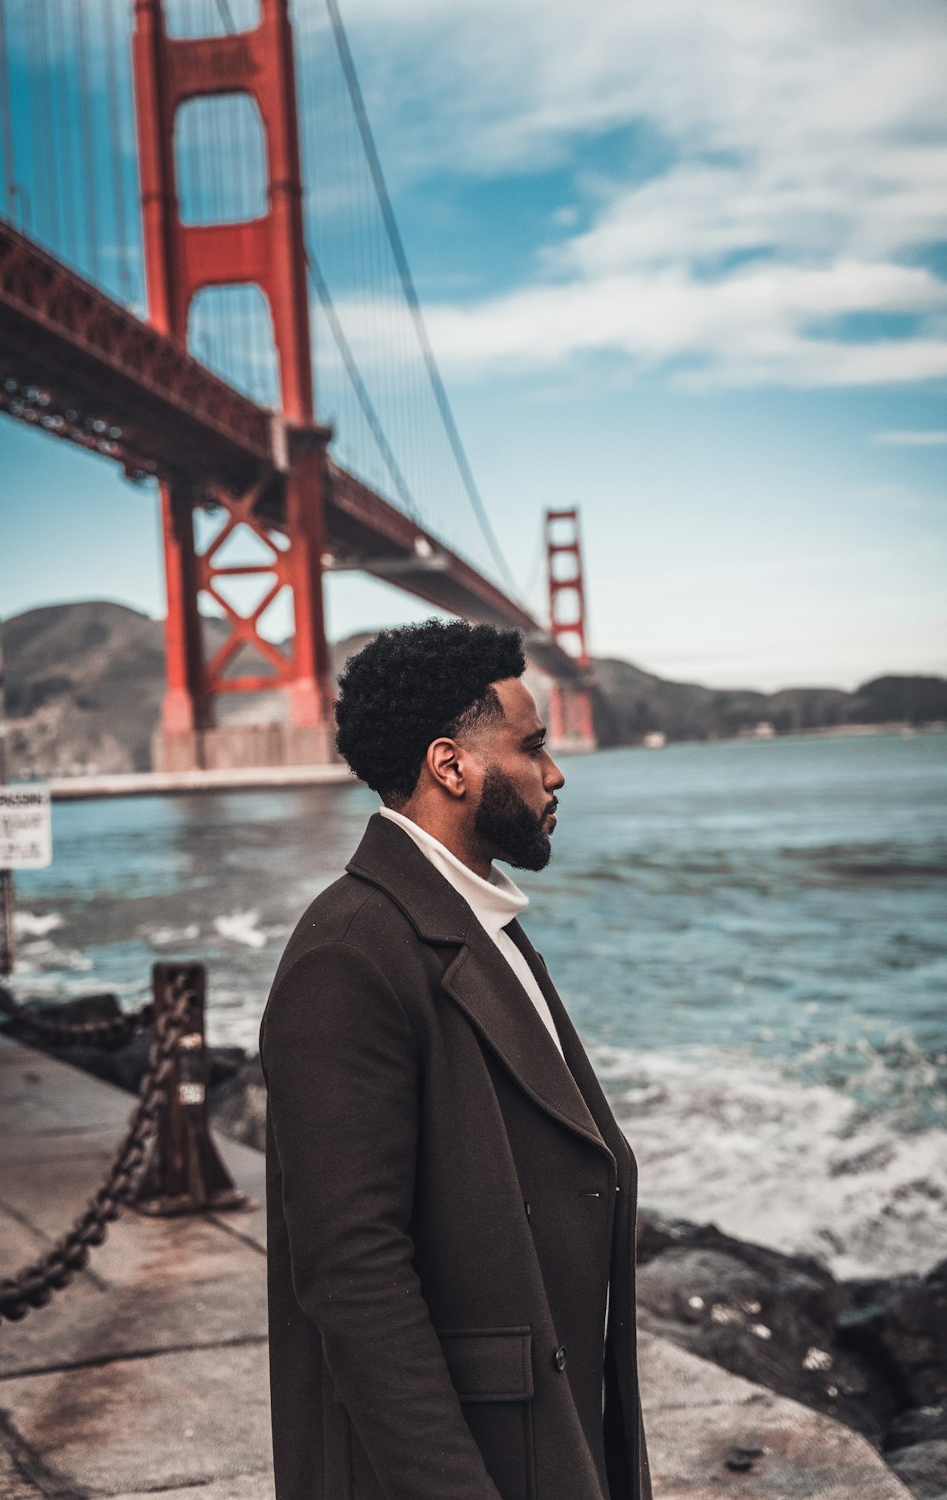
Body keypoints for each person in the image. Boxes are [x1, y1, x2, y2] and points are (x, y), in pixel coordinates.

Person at [259, 619, 651, 1500]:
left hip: (543, 1436)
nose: (554, 775)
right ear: (452, 765)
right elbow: (353, 1273)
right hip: (468, 1464)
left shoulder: (476, 923)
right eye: (533, 746)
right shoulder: (349, 954)